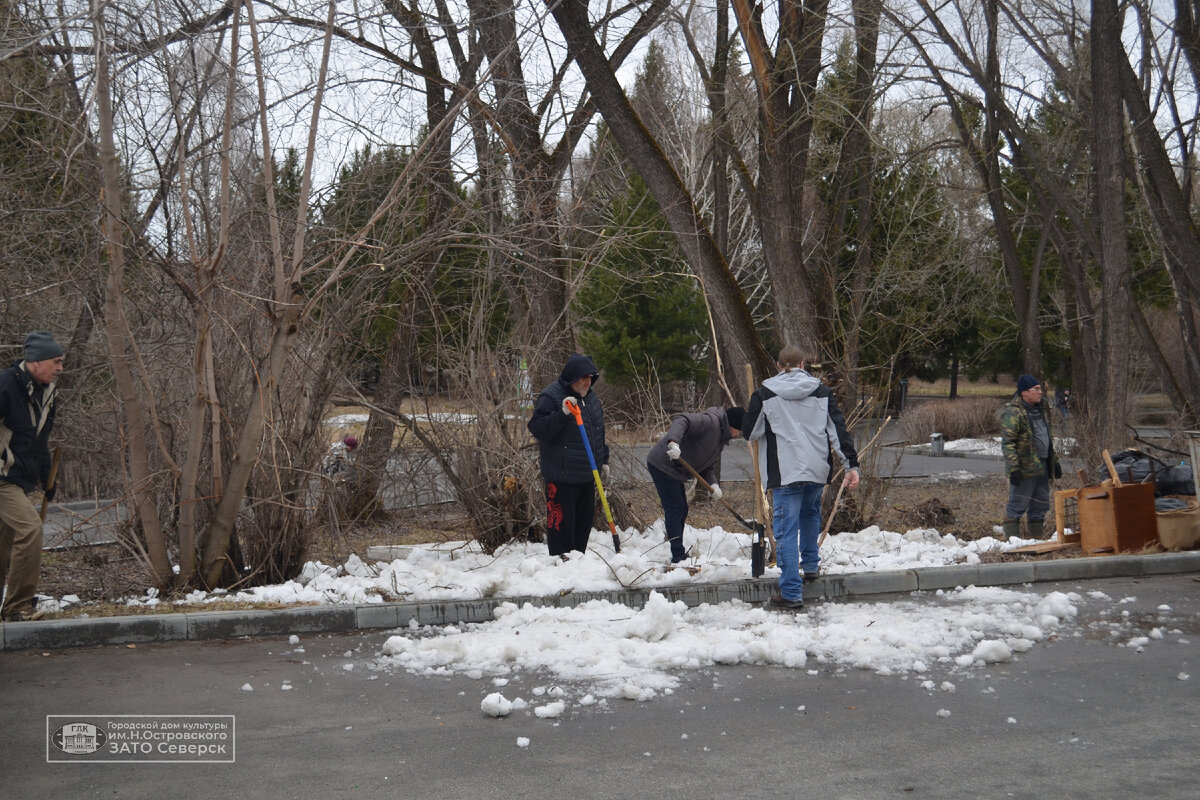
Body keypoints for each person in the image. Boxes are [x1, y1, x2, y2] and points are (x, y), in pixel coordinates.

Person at [743, 346, 859, 610]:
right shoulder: (821, 392)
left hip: (785, 473)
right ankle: (810, 565)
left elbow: (750, 432)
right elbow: (837, 431)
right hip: (817, 469)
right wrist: (851, 466)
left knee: (785, 531)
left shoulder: (764, 394)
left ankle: (791, 592)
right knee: (810, 517)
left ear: (777, 364)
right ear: (803, 365)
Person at [0, 331, 65, 621]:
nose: (60, 368)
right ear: (35, 362)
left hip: (19, 478)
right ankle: (17, 607)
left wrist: (45, 479)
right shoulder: (5, 385)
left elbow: (39, 440)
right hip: (1, 478)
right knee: (31, 529)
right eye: (56, 362)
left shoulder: (47, 392)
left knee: (2, 549)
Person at [527, 354, 608, 558]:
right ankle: (560, 570)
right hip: (561, 478)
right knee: (562, 531)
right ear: (572, 378)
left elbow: (597, 431)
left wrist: (604, 461)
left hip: (588, 476)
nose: (588, 382)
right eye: (584, 378)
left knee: (582, 528)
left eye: (591, 378)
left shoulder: (590, 398)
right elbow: (538, 429)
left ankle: (577, 567)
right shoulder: (551, 397)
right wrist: (562, 414)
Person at [646, 406, 745, 563]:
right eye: (738, 430)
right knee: (676, 508)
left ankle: (676, 547)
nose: (738, 434)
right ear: (731, 425)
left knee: (682, 509)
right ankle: (678, 555)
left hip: (675, 470)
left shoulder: (719, 441)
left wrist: (714, 484)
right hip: (662, 463)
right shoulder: (710, 422)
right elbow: (682, 420)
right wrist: (673, 443)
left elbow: (707, 467)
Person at [1001, 374, 1061, 540]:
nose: (1040, 392)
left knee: (1040, 503)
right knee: (1018, 503)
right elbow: (1008, 443)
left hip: (1043, 464)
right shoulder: (1014, 412)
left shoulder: (1041, 409)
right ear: (1024, 392)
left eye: (1040, 389)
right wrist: (1014, 468)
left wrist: (1054, 462)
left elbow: (1047, 437)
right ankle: (1011, 541)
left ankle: (1036, 539)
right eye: (1036, 389)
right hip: (1024, 467)